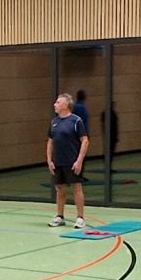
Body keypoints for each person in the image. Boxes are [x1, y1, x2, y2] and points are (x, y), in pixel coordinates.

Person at [46, 93, 90, 229]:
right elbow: (50, 142)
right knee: (59, 189)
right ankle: (60, 216)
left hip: (72, 161)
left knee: (77, 188)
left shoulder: (76, 121)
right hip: (58, 161)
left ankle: (80, 218)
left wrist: (79, 161)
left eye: (58, 102)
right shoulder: (54, 122)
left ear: (66, 105)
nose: (55, 104)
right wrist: (49, 160)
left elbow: (85, 141)